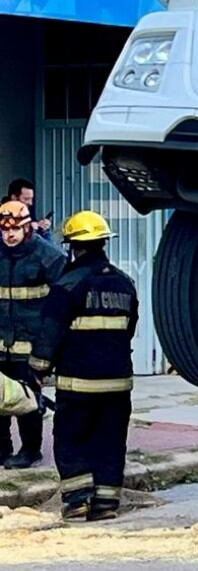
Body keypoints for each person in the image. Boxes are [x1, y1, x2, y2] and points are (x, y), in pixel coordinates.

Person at [29, 211, 136, 521]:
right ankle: (105, 503)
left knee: (71, 437)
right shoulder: (125, 284)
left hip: (77, 383)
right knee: (110, 440)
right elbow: (129, 329)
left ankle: (77, 501)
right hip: (118, 382)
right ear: (104, 242)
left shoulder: (67, 284)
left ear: (72, 246)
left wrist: (38, 368)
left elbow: (50, 331)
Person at [0, 200, 64, 469]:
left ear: (27, 228)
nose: (9, 234)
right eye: (4, 230)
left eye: (15, 229)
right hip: (2, 342)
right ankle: (2, 449)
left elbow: (63, 301)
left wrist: (50, 346)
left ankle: (30, 449)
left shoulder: (47, 256)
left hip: (31, 344)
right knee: (1, 398)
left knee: (28, 399)